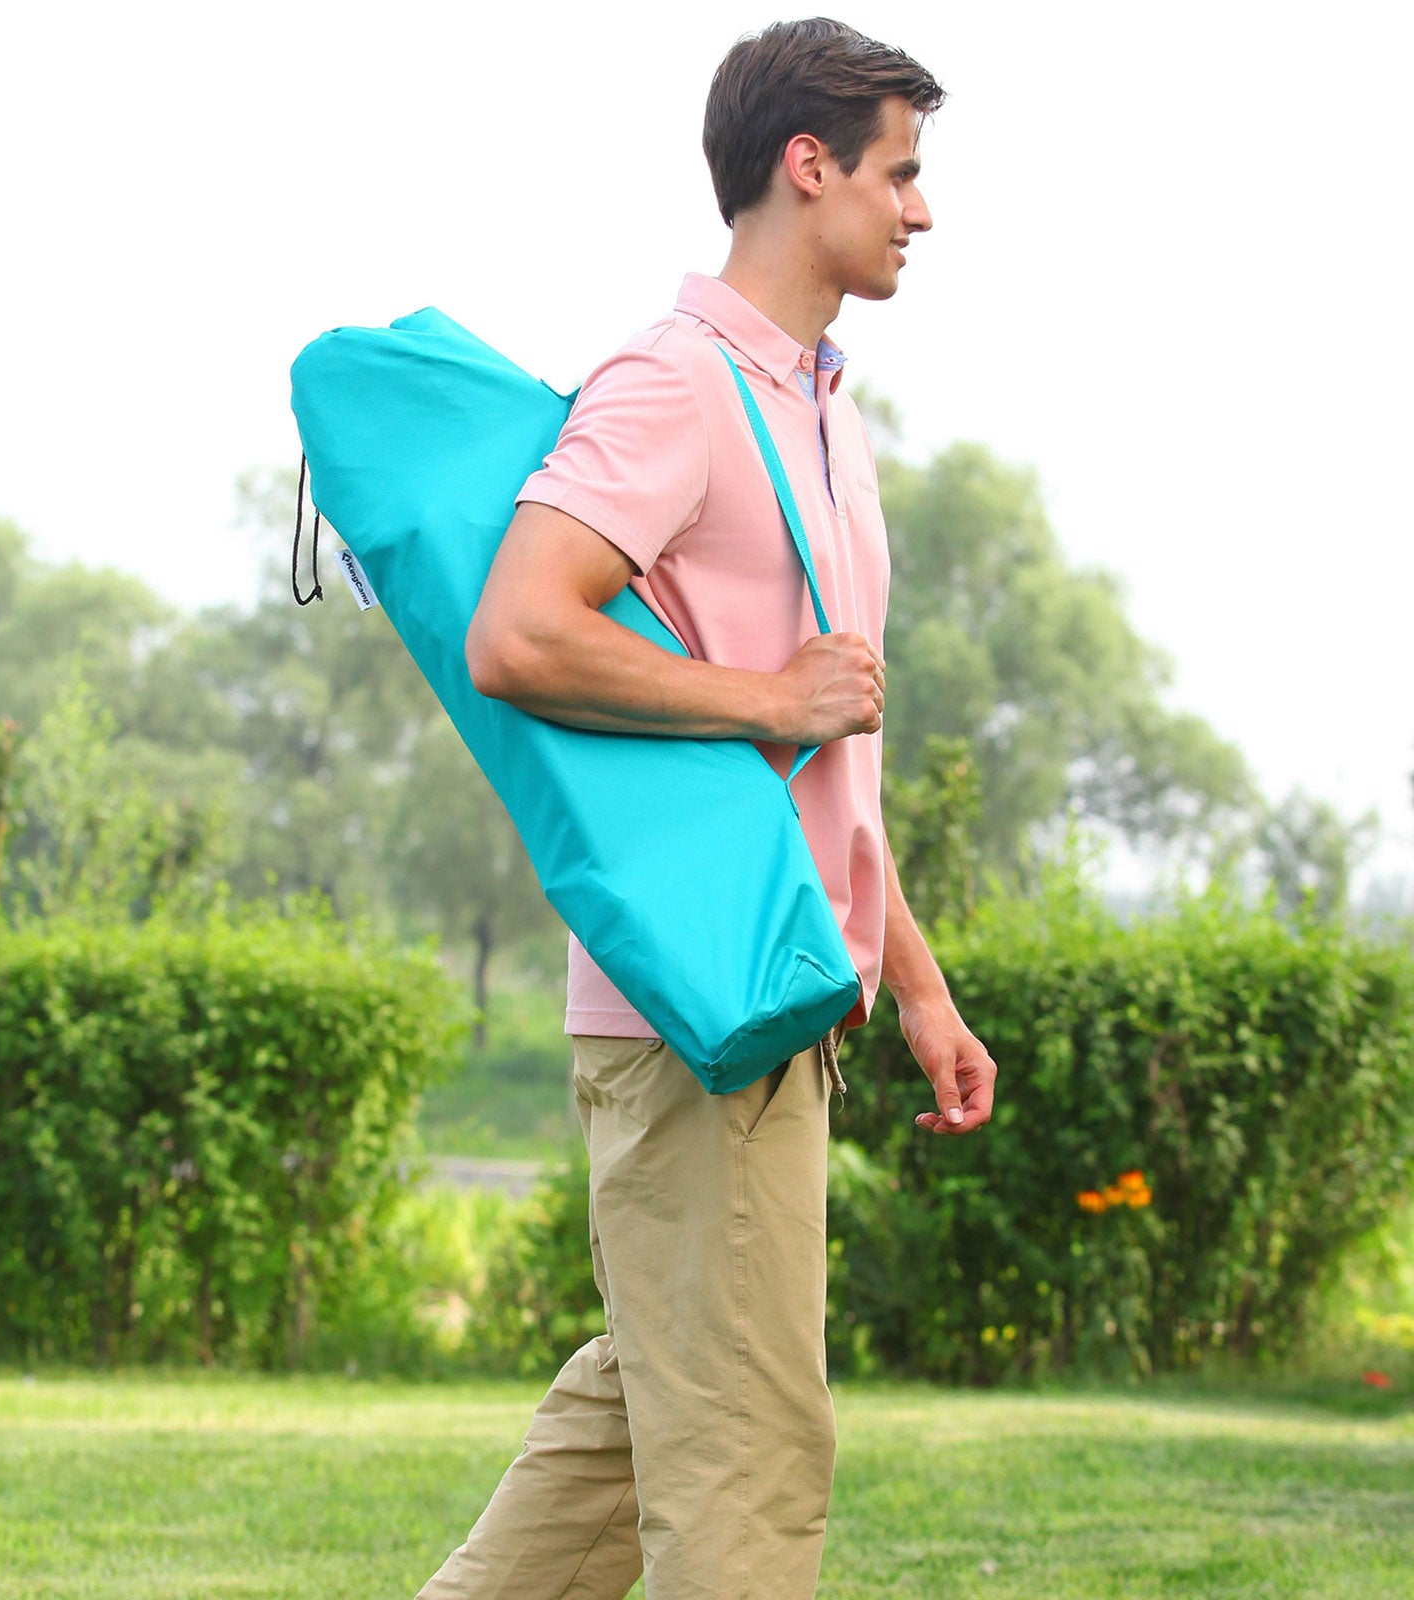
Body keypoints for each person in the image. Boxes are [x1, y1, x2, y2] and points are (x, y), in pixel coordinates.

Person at [418, 18, 997, 1600]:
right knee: (744, 1454)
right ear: (807, 168)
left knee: (643, 1421)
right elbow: (520, 630)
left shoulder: (822, 409)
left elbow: (835, 764)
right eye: (903, 173)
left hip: (779, 987)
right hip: (693, 1007)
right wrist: (766, 699)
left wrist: (923, 988)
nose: (922, 212)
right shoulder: (675, 384)